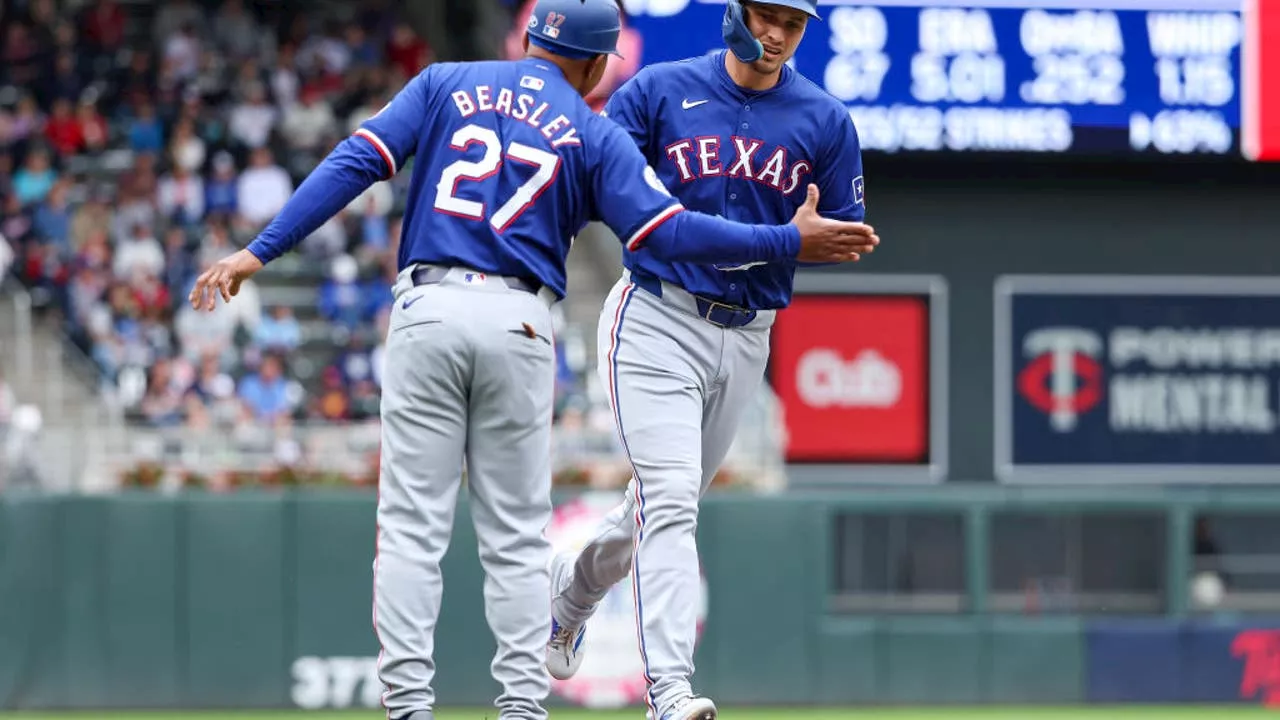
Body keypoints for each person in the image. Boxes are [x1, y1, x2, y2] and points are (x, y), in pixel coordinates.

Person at [188, 1, 877, 718]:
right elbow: (669, 233)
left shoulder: (444, 82)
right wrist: (789, 243)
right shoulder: (590, 128)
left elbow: (359, 159)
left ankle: (409, 706)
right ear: (596, 66)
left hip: (427, 306)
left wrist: (256, 250)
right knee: (523, 536)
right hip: (532, 322)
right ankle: (535, 706)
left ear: (529, 36)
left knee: (414, 526)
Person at [543, 2, 869, 720]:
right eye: (767, 14)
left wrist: (824, 237)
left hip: (749, 333)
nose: (779, 33)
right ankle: (669, 694)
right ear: (735, 12)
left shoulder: (825, 120)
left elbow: (838, 228)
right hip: (656, 316)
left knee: (661, 505)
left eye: (795, 21)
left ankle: (572, 591)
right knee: (668, 503)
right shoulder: (659, 91)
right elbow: (598, 186)